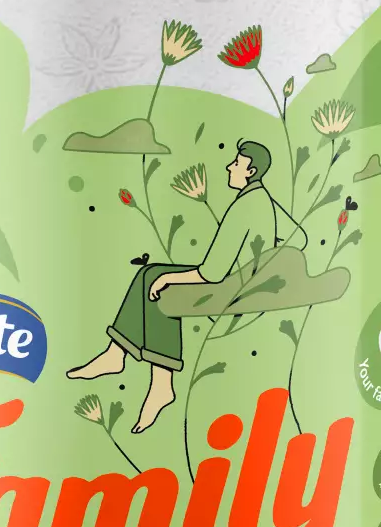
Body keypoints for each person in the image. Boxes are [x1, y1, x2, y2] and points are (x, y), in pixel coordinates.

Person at [67, 140, 306, 432]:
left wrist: (168, 278)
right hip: (243, 279)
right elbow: (300, 238)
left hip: (232, 288)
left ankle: (156, 381)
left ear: (251, 171)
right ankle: (119, 358)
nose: (229, 167)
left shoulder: (245, 205)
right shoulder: (261, 198)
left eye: (237, 163)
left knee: (159, 286)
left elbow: (212, 272)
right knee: (150, 273)